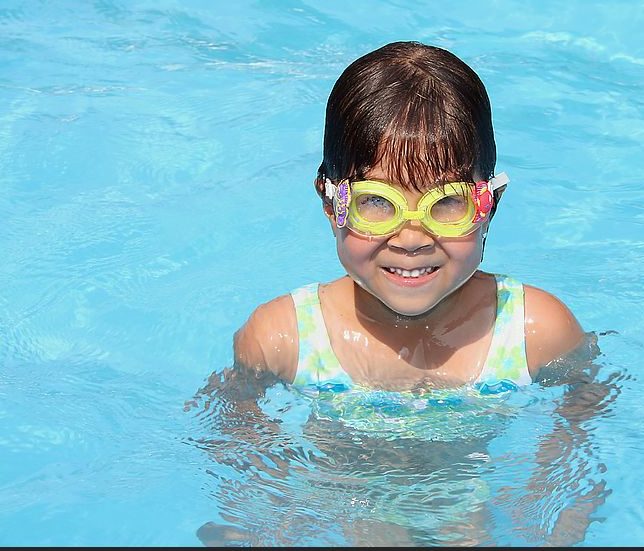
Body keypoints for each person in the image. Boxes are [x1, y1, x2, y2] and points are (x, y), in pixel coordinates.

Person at [233, 41, 587, 396]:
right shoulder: (283, 340)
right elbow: (238, 439)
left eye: (447, 202)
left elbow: (582, 420)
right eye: (376, 201)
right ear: (331, 206)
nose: (411, 239)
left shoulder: (537, 332)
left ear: (489, 206)